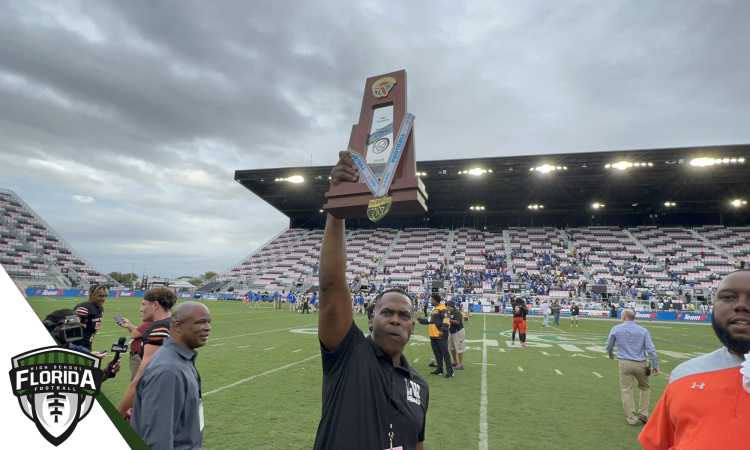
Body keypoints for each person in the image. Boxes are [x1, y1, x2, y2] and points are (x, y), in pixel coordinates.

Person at [314, 151, 428, 450]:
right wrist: (337, 206)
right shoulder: (348, 353)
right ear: (370, 319)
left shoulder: (419, 384)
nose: (395, 319)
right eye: (387, 312)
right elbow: (330, 285)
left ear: (412, 327)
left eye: (404, 316)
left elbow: (417, 442)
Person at [640, 269, 750, 449]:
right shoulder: (683, 374)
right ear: (713, 306)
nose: (741, 305)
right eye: (728, 297)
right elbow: (658, 444)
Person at [131, 302, 211, 450]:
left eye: (208, 322)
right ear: (179, 326)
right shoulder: (169, 371)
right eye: (201, 322)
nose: (208, 328)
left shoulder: (180, 360)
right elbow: (157, 441)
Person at [117, 287, 177, 416]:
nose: (141, 309)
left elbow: (141, 378)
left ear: (155, 304)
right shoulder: (174, 323)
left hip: (158, 399)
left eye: (143, 305)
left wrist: (118, 413)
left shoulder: (159, 329)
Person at [605, 309, 660, 427]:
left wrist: (610, 354)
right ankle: (644, 413)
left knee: (626, 391)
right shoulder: (643, 330)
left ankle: (631, 418)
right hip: (641, 363)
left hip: (625, 363)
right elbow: (651, 349)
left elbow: (609, 345)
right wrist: (655, 365)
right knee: (645, 388)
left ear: (624, 317)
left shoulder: (616, 329)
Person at [42, 308, 121, 381]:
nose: (76, 329)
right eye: (71, 325)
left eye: (77, 325)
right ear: (53, 327)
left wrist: (106, 372)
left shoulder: (81, 351)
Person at [417, 294, 453, 378]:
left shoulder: (443, 308)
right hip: (433, 334)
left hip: (440, 334)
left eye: (432, 300)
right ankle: (440, 369)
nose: (431, 301)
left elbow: (446, 320)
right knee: (437, 353)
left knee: (445, 353)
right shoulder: (434, 309)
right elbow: (429, 321)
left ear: (436, 301)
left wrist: (442, 330)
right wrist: (418, 318)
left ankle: (450, 371)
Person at [73, 284, 109, 351]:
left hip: (87, 344)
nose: (104, 299)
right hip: (78, 346)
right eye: (100, 296)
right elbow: (70, 327)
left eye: (105, 296)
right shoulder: (84, 307)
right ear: (91, 295)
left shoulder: (100, 308)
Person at [446, 301, 466, 370]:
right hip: (451, 331)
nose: (447, 307)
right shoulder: (449, 312)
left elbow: (457, 321)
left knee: (459, 348)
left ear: (451, 306)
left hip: (458, 332)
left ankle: (460, 364)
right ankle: (455, 361)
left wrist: (448, 320)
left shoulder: (457, 312)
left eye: (448, 305)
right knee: (452, 347)